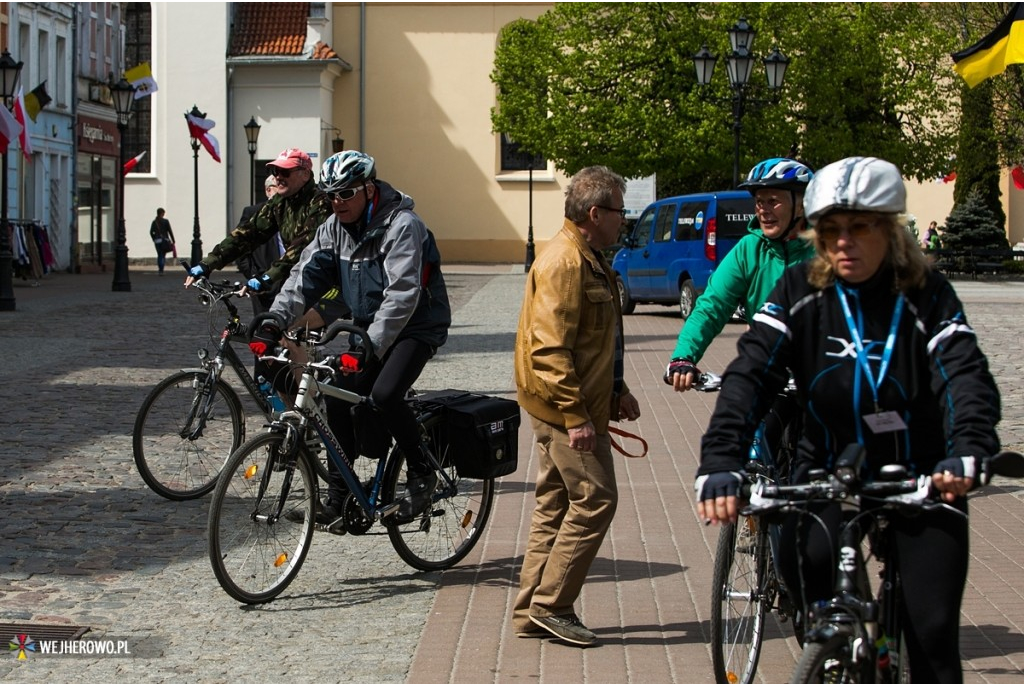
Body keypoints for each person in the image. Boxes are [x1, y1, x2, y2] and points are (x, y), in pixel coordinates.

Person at [694, 156, 1001, 682]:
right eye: (830, 229)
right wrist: (722, 459)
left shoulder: (926, 292)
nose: (843, 242)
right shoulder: (798, 289)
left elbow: (964, 372)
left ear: (890, 230)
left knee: (931, 634)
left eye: (860, 227)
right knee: (802, 566)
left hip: (923, 467)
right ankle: (835, 650)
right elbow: (750, 374)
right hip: (829, 460)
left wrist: (969, 446)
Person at [256, 150, 451, 525]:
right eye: (330, 195)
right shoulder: (333, 228)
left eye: (346, 193)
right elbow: (303, 278)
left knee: (385, 394)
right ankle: (341, 500)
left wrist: (367, 346)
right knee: (337, 395)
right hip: (369, 326)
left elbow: (402, 295)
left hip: (416, 325)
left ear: (368, 187)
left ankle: (421, 471)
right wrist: (273, 322)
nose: (337, 202)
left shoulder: (402, 225)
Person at [511, 165, 642, 647]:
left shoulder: (586, 255)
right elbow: (549, 349)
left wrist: (615, 389)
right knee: (596, 500)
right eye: (619, 211)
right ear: (595, 212)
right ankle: (554, 605)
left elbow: (593, 341)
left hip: (575, 406)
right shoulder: (566, 261)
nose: (623, 220)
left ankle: (530, 611)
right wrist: (577, 416)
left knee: (555, 505)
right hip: (567, 413)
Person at [666, 157, 814, 392]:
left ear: (802, 204)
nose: (763, 210)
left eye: (773, 201)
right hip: (768, 374)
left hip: (821, 376)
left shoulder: (826, 249)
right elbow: (712, 305)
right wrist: (683, 357)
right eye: (758, 202)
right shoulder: (749, 249)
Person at [184, 148, 332, 295]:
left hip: (326, 278)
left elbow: (303, 246)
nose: (278, 177)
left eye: (285, 172)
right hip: (297, 276)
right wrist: (209, 262)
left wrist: (269, 276)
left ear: (305, 174)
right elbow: (249, 232)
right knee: (274, 316)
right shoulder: (279, 202)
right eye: (275, 171)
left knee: (297, 316)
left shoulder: (320, 201)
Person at [235, 175, 283, 316]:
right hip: (264, 280)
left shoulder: (294, 213)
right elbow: (239, 247)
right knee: (265, 326)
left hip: (292, 279)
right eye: (278, 187)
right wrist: (253, 275)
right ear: (269, 190)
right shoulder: (253, 213)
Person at [149, 208, 176, 275]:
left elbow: (151, 232)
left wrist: (154, 238)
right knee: (163, 255)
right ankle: (161, 269)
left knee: (159, 254)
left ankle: (160, 269)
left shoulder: (154, 222)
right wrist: (173, 240)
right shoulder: (165, 221)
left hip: (157, 241)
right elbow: (169, 231)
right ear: (162, 213)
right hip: (165, 240)